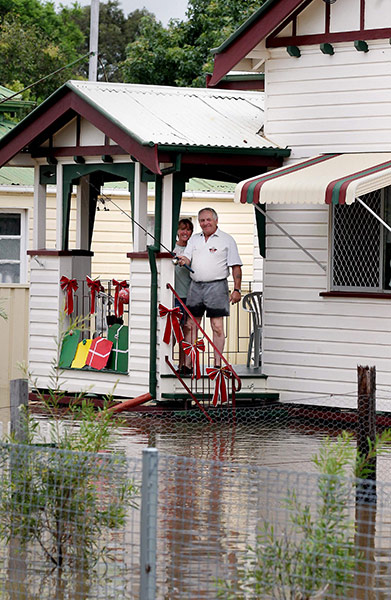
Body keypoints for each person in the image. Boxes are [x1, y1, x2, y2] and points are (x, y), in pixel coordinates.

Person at [178, 207, 242, 367]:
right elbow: (187, 257)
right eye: (202, 220)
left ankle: (217, 364)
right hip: (195, 286)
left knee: (217, 326)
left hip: (217, 286)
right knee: (190, 326)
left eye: (208, 219)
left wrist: (237, 289)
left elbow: (236, 266)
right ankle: (188, 364)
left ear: (216, 220)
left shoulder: (227, 240)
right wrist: (183, 260)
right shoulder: (194, 239)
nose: (205, 223)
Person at [173, 218, 194, 373]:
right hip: (174, 296)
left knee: (188, 330)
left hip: (191, 296)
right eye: (182, 229)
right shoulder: (171, 250)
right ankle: (168, 362)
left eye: (187, 229)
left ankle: (185, 365)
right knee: (175, 331)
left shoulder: (193, 250)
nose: (184, 232)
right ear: (177, 232)